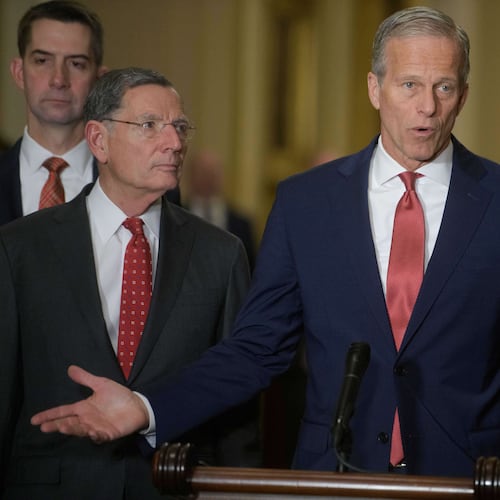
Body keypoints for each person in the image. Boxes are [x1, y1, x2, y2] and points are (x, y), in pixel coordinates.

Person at [31, 6, 500, 478]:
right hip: (336, 476)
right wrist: (146, 407)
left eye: (444, 87)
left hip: (472, 476)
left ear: (463, 96)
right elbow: (257, 347)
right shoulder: (306, 202)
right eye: (410, 85)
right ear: (375, 90)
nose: (428, 107)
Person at [0, 67, 256, 499]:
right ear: (98, 140)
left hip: (173, 487)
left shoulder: (221, 254)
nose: (174, 143)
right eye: (150, 125)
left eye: (179, 127)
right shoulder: (20, 248)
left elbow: (236, 404)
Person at [0, 1, 179, 227]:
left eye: (76, 64)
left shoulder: (150, 183)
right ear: (18, 72)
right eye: (42, 61)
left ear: (98, 79)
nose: (58, 80)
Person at [184, 149, 256, 269]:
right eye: (203, 172)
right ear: (190, 176)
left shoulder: (242, 224)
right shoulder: (174, 216)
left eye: (213, 172)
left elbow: (250, 268)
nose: (208, 178)